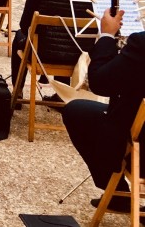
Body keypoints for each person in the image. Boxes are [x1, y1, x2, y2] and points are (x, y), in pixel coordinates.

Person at [62, 11, 145, 214]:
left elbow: (100, 83)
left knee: (76, 111)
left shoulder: (141, 44)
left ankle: (116, 193)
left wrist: (107, 36)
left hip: (142, 151)